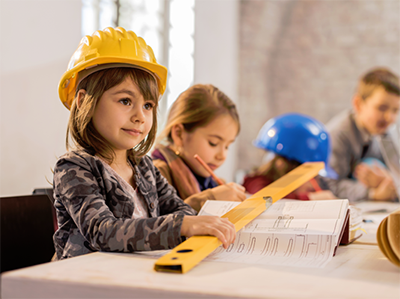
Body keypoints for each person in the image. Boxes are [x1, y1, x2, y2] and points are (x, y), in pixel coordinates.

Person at [52, 27, 236, 261]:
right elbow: (102, 232)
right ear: (83, 100)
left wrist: (191, 221)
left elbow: (181, 211)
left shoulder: (144, 167)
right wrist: (181, 225)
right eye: (126, 100)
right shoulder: (73, 168)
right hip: (85, 280)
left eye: (148, 105)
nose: (140, 116)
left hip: (138, 274)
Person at [152, 84, 247, 212]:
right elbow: (158, 224)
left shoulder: (210, 182)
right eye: (213, 143)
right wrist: (210, 200)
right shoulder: (155, 174)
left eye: (227, 146)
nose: (222, 155)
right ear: (179, 134)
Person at [325, 67, 400, 202]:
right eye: (382, 108)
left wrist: (387, 180)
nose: (390, 117)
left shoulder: (386, 131)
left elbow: (397, 172)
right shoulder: (337, 135)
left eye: (395, 110)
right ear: (358, 104)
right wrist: (372, 193)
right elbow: (331, 185)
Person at [242, 113, 337, 200]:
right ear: (282, 165)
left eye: (315, 177)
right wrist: (310, 198)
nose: (312, 185)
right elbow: (264, 199)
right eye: (308, 175)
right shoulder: (257, 182)